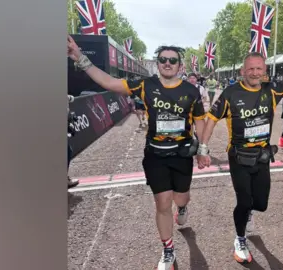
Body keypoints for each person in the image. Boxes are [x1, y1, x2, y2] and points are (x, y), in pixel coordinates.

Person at [67, 36, 207, 270]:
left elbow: (201, 120)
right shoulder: (146, 85)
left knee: (180, 197)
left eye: (173, 60)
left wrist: (202, 148)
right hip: (155, 155)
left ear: (180, 66)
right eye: (163, 59)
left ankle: (182, 208)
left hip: (182, 155)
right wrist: (80, 58)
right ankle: (168, 250)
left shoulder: (191, 91)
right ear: (158, 63)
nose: (168, 63)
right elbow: (110, 83)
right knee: (162, 202)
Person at [197, 29, 283, 264]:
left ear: (265, 71)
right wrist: (203, 149)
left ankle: (249, 213)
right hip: (238, 156)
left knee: (260, 203)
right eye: (250, 69)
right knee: (244, 200)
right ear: (243, 71)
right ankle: (240, 238)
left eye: (259, 68)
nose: (254, 72)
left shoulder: (272, 90)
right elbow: (210, 120)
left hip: (262, 157)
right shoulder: (231, 93)